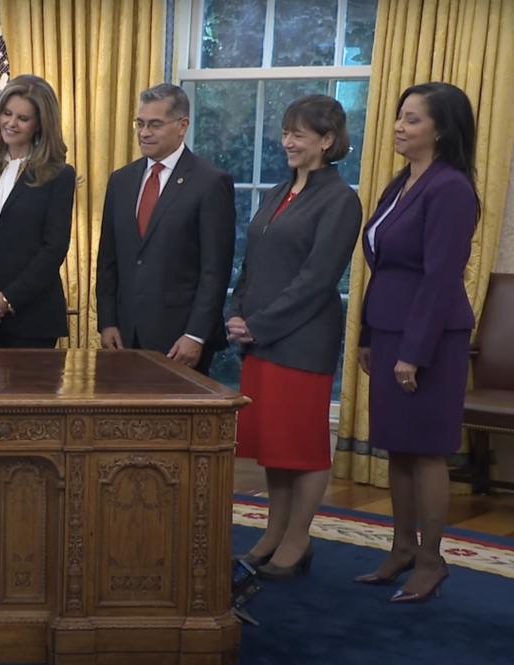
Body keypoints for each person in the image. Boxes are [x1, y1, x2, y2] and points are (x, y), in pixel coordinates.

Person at [225, 95, 362, 579]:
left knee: (301, 446)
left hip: (302, 340)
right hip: (261, 340)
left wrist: (259, 324)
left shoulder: (340, 198)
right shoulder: (277, 192)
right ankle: (273, 531)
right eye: (285, 132)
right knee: (274, 445)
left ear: (327, 141)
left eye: (299, 134)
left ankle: (299, 538)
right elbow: (253, 262)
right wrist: (237, 311)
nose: (287, 141)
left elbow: (318, 279)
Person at [352, 82, 479, 603]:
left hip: (429, 338)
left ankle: (431, 560)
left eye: (412, 119)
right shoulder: (401, 182)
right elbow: (380, 265)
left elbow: (440, 277)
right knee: (398, 447)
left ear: (441, 129)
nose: (399, 127)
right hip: (387, 329)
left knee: (426, 451)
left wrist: (414, 352)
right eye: (399, 118)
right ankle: (401, 548)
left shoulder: (450, 188)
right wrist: (366, 334)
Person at [95, 83, 236, 373]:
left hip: (179, 341)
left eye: (155, 125)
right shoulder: (121, 181)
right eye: (140, 123)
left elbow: (215, 270)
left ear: (182, 126)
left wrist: (195, 335)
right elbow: (108, 259)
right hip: (124, 337)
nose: (144, 133)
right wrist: (107, 322)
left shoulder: (209, 182)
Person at [0, 74, 76, 348]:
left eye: (23, 118)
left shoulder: (59, 175)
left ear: (39, 125)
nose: (11, 123)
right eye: (7, 114)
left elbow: (54, 248)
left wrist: (9, 299)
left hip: (32, 318)